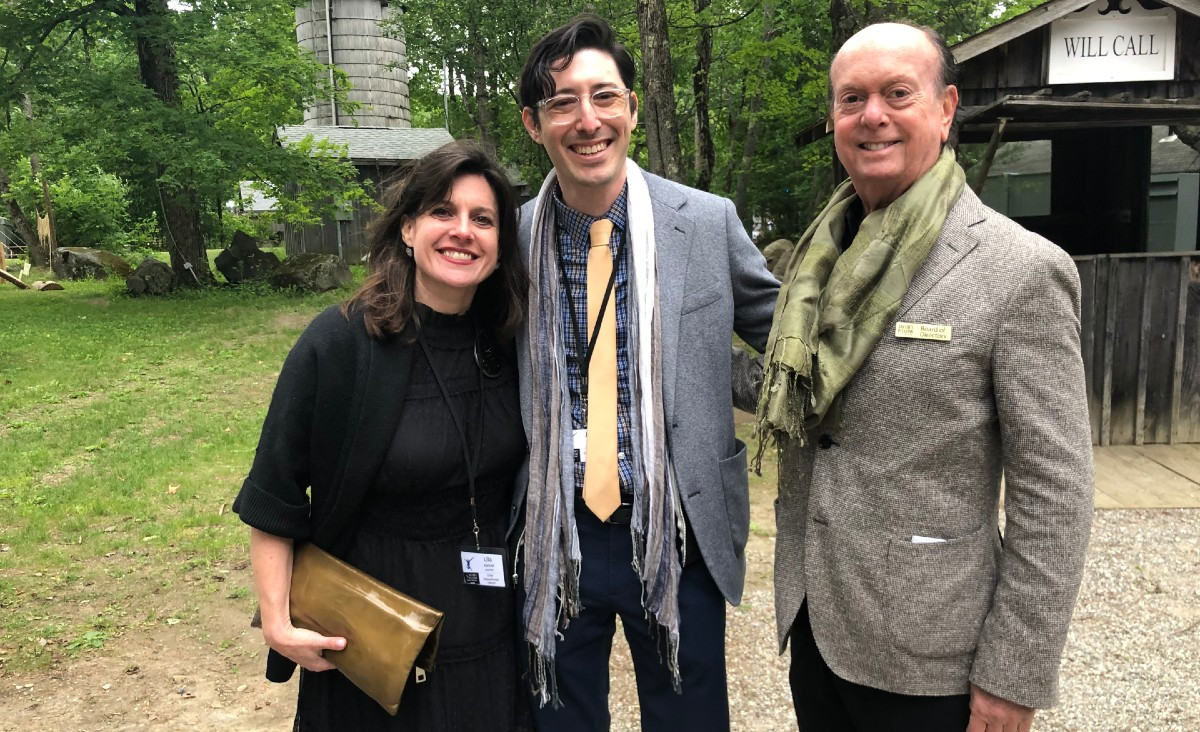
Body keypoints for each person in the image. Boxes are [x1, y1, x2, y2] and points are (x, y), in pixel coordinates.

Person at [758, 22, 1095, 732]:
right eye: (852, 99)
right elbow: (808, 404)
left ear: (945, 109)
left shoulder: (1021, 270)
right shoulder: (816, 266)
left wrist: (1013, 675)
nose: (871, 115)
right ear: (834, 121)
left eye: (896, 94)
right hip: (818, 630)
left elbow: (1054, 493)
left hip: (932, 657)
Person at [511, 14, 779, 732]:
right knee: (557, 720)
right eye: (562, 102)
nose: (586, 119)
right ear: (535, 123)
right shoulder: (509, 243)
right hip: (553, 527)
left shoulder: (708, 222)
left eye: (605, 97)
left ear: (632, 108)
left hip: (677, 524)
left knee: (689, 719)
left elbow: (791, 342)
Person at [233, 139, 530, 731]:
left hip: (490, 622)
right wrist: (275, 618)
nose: (462, 231)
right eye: (443, 212)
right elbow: (275, 489)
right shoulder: (343, 343)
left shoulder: (511, 342)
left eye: (483, 219)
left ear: (500, 246)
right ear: (408, 229)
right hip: (371, 625)